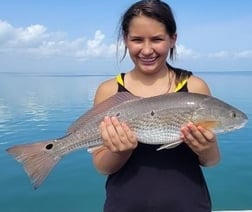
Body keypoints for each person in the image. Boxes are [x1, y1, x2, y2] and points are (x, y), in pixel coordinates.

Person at [92, 0, 220, 211]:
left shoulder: (194, 87)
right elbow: (101, 166)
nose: (147, 49)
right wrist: (120, 151)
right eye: (137, 40)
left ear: (173, 39)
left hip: (189, 205)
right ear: (125, 40)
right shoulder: (109, 90)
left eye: (157, 39)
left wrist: (207, 148)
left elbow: (211, 161)